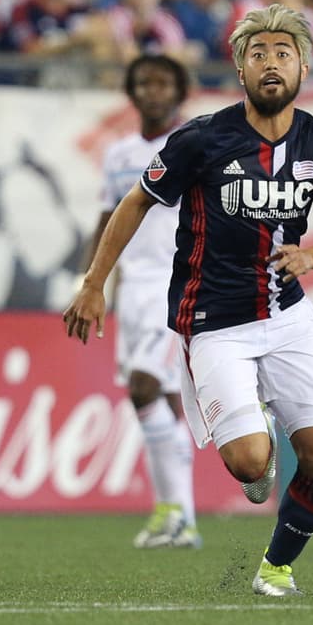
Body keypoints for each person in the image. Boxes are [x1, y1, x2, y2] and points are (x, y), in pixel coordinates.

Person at [64, 4, 313, 598]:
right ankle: (257, 438)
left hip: (290, 316)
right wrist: (94, 282)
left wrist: (312, 256)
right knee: (251, 466)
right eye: (257, 54)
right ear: (239, 70)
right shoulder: (201, 138)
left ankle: (275, 569)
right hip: (214, 324)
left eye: (283, 53)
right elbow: (134, 203)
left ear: (303, 66)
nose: (270, 62)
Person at [83, 54, 199, 549]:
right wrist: (93, 283)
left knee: (144, 386)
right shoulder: (119, 154)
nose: (154, 91)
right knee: (164, 402)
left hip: (175, 286)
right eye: (144, 83)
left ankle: (174, 513)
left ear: (180, 91)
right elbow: (109, 220)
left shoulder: (195, 146)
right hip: (133, 287)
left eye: (164, 83)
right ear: (131, 93)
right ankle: (180, 520)